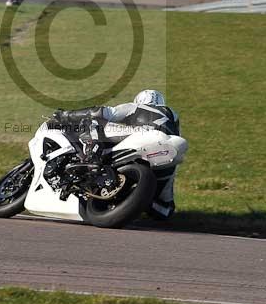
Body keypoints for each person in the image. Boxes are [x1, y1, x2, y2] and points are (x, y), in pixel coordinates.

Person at [52, 89, 181, 218]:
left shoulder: (136, 106)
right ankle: (135, 199)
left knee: (93, 123)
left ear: (140, 100)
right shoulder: (172, 115)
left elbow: (101, 112)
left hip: (143, 134)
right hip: (166, 153)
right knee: (166, 209)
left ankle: (92, 158)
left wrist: (65, 115)